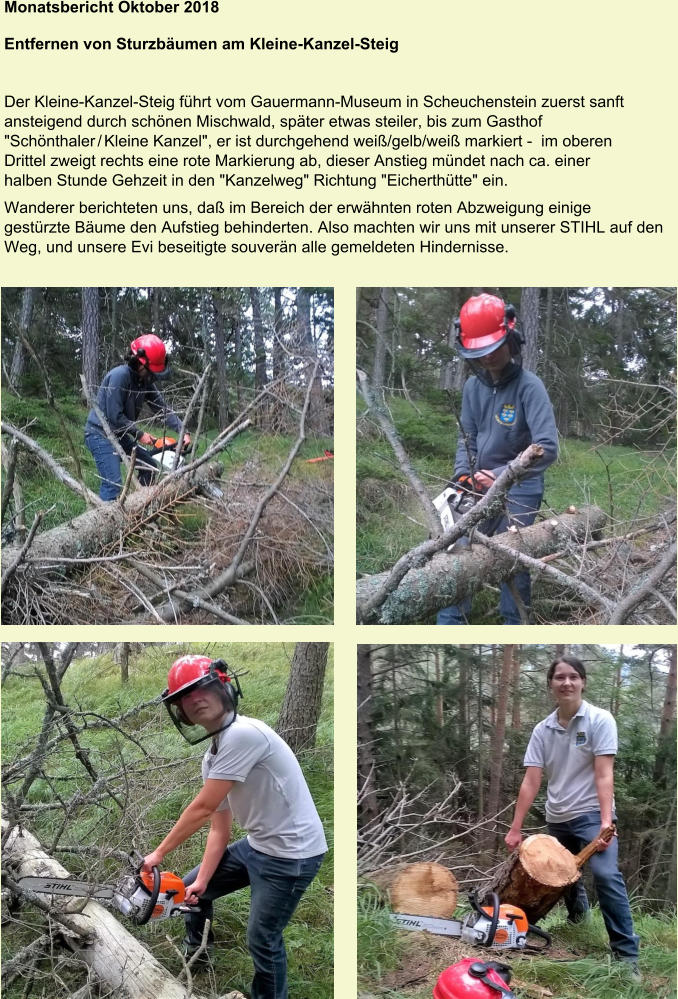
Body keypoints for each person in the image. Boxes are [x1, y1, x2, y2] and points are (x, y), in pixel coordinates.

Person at [142, 655, 327, 999]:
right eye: (184, 696)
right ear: (179, 710)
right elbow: (218, 829)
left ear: (223, 687)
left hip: (291, 854)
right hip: (259, 845)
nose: (194, 699)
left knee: (263, 937)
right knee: (189, 891)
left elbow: (202, 807)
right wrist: (202, 880)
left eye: (201, 688)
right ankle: (198, 955)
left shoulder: (244, 734)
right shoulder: (212, 756)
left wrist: (158, 853)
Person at [505, 654, 640, 981]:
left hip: (594, 815)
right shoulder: (543, 729)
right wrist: (515, 827)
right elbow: (531, 780)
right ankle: (580, 921)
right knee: (563, 877)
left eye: (573, 677)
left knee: (606, 876)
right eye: (559, 677)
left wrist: (607, 821)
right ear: (551, 684)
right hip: (558, 818)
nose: (566, 682)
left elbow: (604, 774)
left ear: (582, 681)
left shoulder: (600, 720)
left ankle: (626, 955)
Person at [437, 293, 558, 625]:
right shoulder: (473, 389)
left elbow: (547, 445)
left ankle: (515, 623)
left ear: (510, 339)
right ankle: (450, 623)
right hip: (477, 485)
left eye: (493, 349)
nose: (488, 358)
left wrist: (506, 473)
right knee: (456, 555)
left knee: (511, 558)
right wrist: (465, 473)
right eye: (480, 352)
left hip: (521, 487)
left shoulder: (529, 388)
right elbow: (468, 438)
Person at [84, 333, 190, 500]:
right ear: (140, 363)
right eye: (151, 371)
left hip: (120, 435)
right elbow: (114, 416)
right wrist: (140, 434)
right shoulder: (120, 376)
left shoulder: (144, 382)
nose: (152, 376)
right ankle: (104, 520)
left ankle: (137, 509)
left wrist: (182, 429)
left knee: (149, 467)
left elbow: (162, 409)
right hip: (99, 434)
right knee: (113, 484)